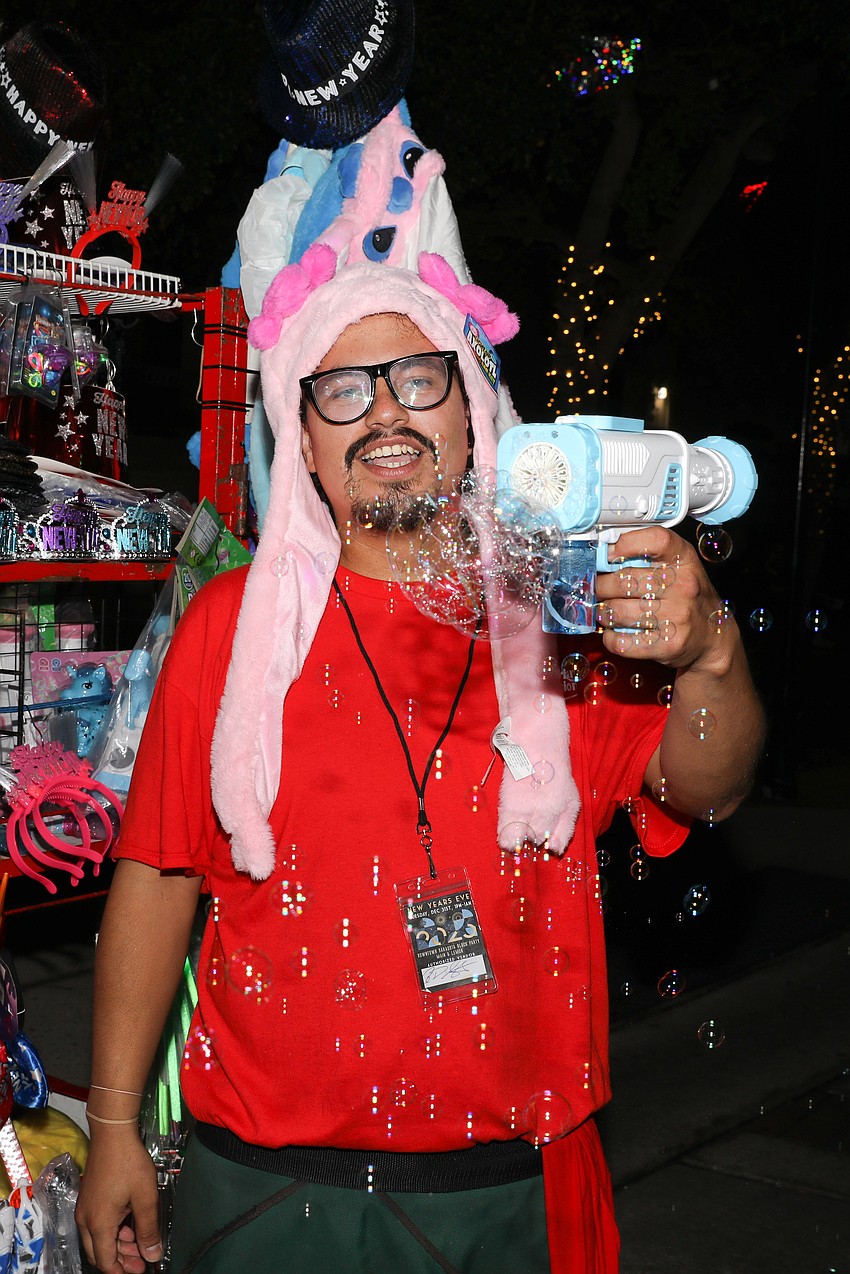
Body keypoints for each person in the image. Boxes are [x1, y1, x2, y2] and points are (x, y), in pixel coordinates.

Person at [76, 247, 764, 1274]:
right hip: (264, 1189)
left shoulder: (561, 619)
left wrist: (711, 650)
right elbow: (160, 872)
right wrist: (117, 1124)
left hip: (499, 1189)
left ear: (472, 414)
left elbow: (705, 785)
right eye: (342, 389)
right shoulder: (232, 628)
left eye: (418, 377)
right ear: (302, 440)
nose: (385, 412)